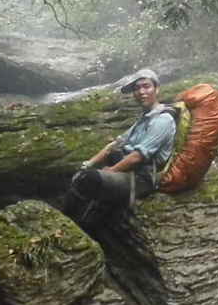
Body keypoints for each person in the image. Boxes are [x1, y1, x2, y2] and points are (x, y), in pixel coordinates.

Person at [62, 68, 176, 225]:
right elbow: (114, 145)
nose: (141, 92)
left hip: (140, 179)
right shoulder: (143, 119)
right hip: (127, 170)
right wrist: (88, 164)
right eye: (137, 88)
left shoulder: (163, 120)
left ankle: (66, 224)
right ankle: (79, 220)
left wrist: (111, 171)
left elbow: (138, 156)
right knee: (82, 173)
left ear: (156, 89)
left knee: (89, 179)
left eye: (146, 86)